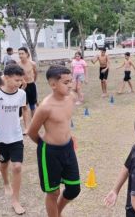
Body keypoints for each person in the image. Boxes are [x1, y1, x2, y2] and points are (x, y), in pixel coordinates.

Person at [27, 65, 81, 217]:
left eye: (71, 81)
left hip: (68, 148)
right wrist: (46, 147)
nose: (70, 85)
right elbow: (32, 132)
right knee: (53, 192)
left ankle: (57, 212)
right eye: (66, 82)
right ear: (53, 85)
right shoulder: (45, 107)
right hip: (49, 152)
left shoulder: (71, 98)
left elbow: (64, 122)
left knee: (73, 189)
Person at [0, 64, 29, 215]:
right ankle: (6, 182)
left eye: (21, 80)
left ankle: (15, 201)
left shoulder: (21, 94)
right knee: (4, 165)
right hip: (0, 138)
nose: (19, 83)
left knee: (17, 167)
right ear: (6, 78)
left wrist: (26, 127)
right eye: (17, 80)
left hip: (16, 136)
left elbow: (24, 109)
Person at [17, 47, 38, 116]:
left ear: (27, 54)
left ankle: (33, 120)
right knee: (23, 104)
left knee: (32, 104)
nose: (20, 55)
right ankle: (23, 118)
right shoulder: (18, 65)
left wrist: (33, 81)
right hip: (22, 86)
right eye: (19, 54)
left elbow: (35, 73)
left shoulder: (32, 64)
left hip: (31, 85)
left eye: (22, 53)